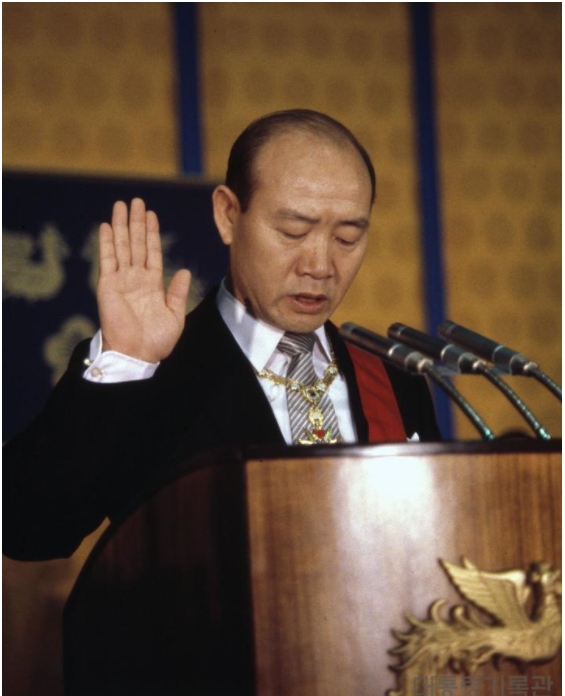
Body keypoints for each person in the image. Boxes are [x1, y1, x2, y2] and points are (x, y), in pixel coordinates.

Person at [3, 110, 440, 562]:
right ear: (228, 215)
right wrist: (124, 362)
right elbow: (27, 529)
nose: (320, 265)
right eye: (293, 232)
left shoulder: (393, 380)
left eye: (347, 238)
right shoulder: (153, 374)